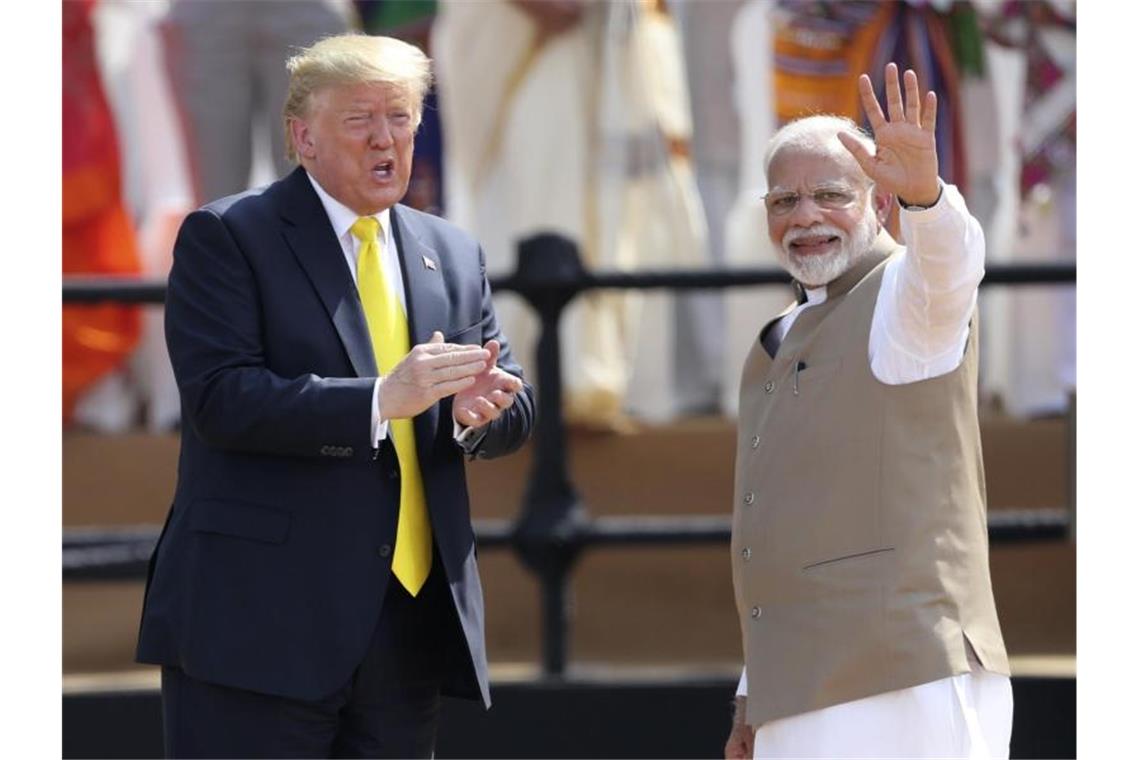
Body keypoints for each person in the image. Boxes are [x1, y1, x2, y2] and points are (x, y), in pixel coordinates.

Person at [135, 34, 535, 758]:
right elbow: (221, 399)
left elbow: (506, 397)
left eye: (402, 117)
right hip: (260, 627)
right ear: (302, 137)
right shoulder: (228, 235)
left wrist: (485, 414)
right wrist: (379, 400)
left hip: (407, 631)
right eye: (359, 120)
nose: (386, 138)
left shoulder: (452, 250)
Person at [724, 64, 1012, 759]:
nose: (806, 216)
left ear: (879, 207)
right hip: (796, 693)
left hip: (903, 685)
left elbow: (948, 274)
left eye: (831, 195)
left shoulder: (903, 303)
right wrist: (750, 696)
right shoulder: (782, 335)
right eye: (785, 201)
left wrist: (928, 200)